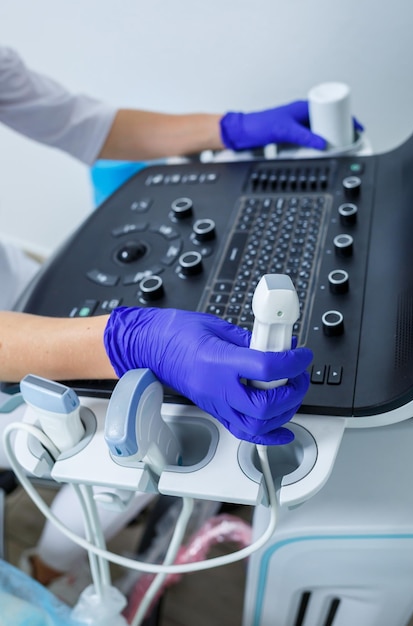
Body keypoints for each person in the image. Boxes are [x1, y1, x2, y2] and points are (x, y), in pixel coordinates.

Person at [0, 43, 322, 599]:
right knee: (119, 452)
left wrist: (231, 128)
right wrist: (130, 339)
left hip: (18, 301)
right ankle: (48, 576)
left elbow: (83, 124)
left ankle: (53, 567)